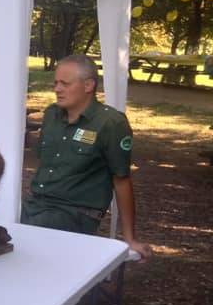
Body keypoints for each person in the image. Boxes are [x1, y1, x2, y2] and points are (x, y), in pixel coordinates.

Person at [21, 54, 151, 260]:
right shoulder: (52, 115)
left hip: (75, 214)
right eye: (55, 83)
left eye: (65, 83)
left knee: (25, 250)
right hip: (36, 206)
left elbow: (122, 180)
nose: (57, 89)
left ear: (88, 85)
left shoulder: (110, 123)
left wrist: (129, 237)